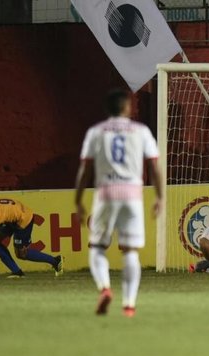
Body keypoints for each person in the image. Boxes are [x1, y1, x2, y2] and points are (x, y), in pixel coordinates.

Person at [75, 89, 162, 318]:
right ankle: (129, 305)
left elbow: (85, 169)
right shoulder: (141, 131)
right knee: (130, 251)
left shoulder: (96, 132)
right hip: (132, 194)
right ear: (127, 108)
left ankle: (104, 288)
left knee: (97, 247)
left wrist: (78, 200)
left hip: (106, 193)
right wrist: (160, 197)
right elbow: (154, 165)